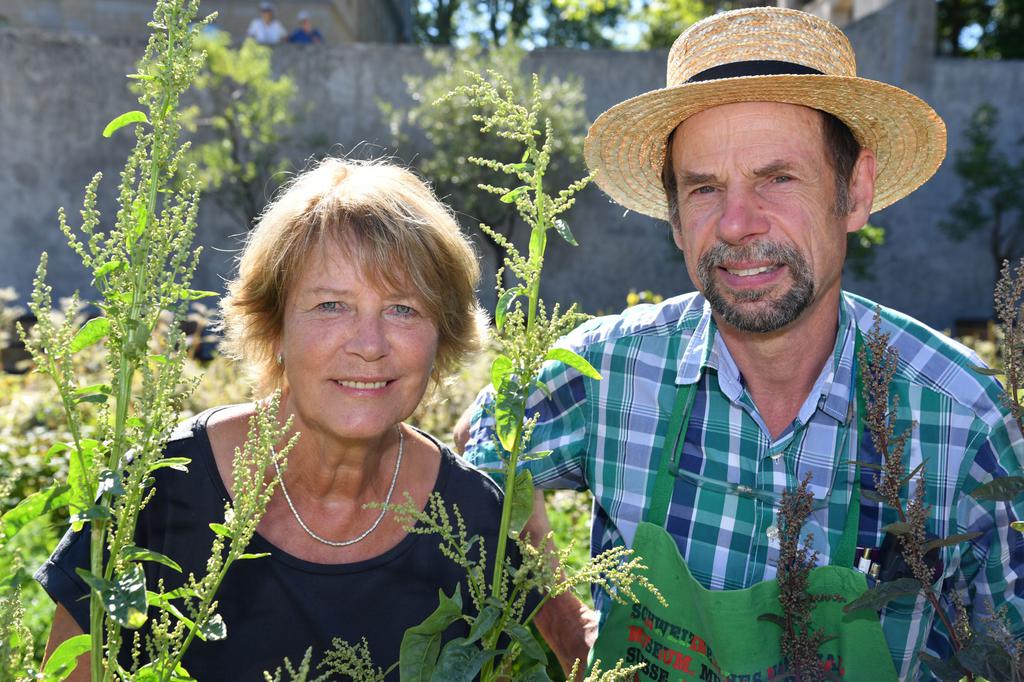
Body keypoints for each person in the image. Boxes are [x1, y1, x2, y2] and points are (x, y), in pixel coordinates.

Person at [460, 7, 1024, 680]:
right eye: (704, 188)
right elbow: (480, 464)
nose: (735, 223)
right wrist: (561, 619)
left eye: (777, 178)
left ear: (856, 190)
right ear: (674, 217)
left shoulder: (960, 419)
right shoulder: (607, 370)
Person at [38, 158, 502, 679]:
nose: (370, 345)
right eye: (331, 305)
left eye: (404, 309)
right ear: (273, 326)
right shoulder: (159, 490)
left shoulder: (479, 522)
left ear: (443, 335)